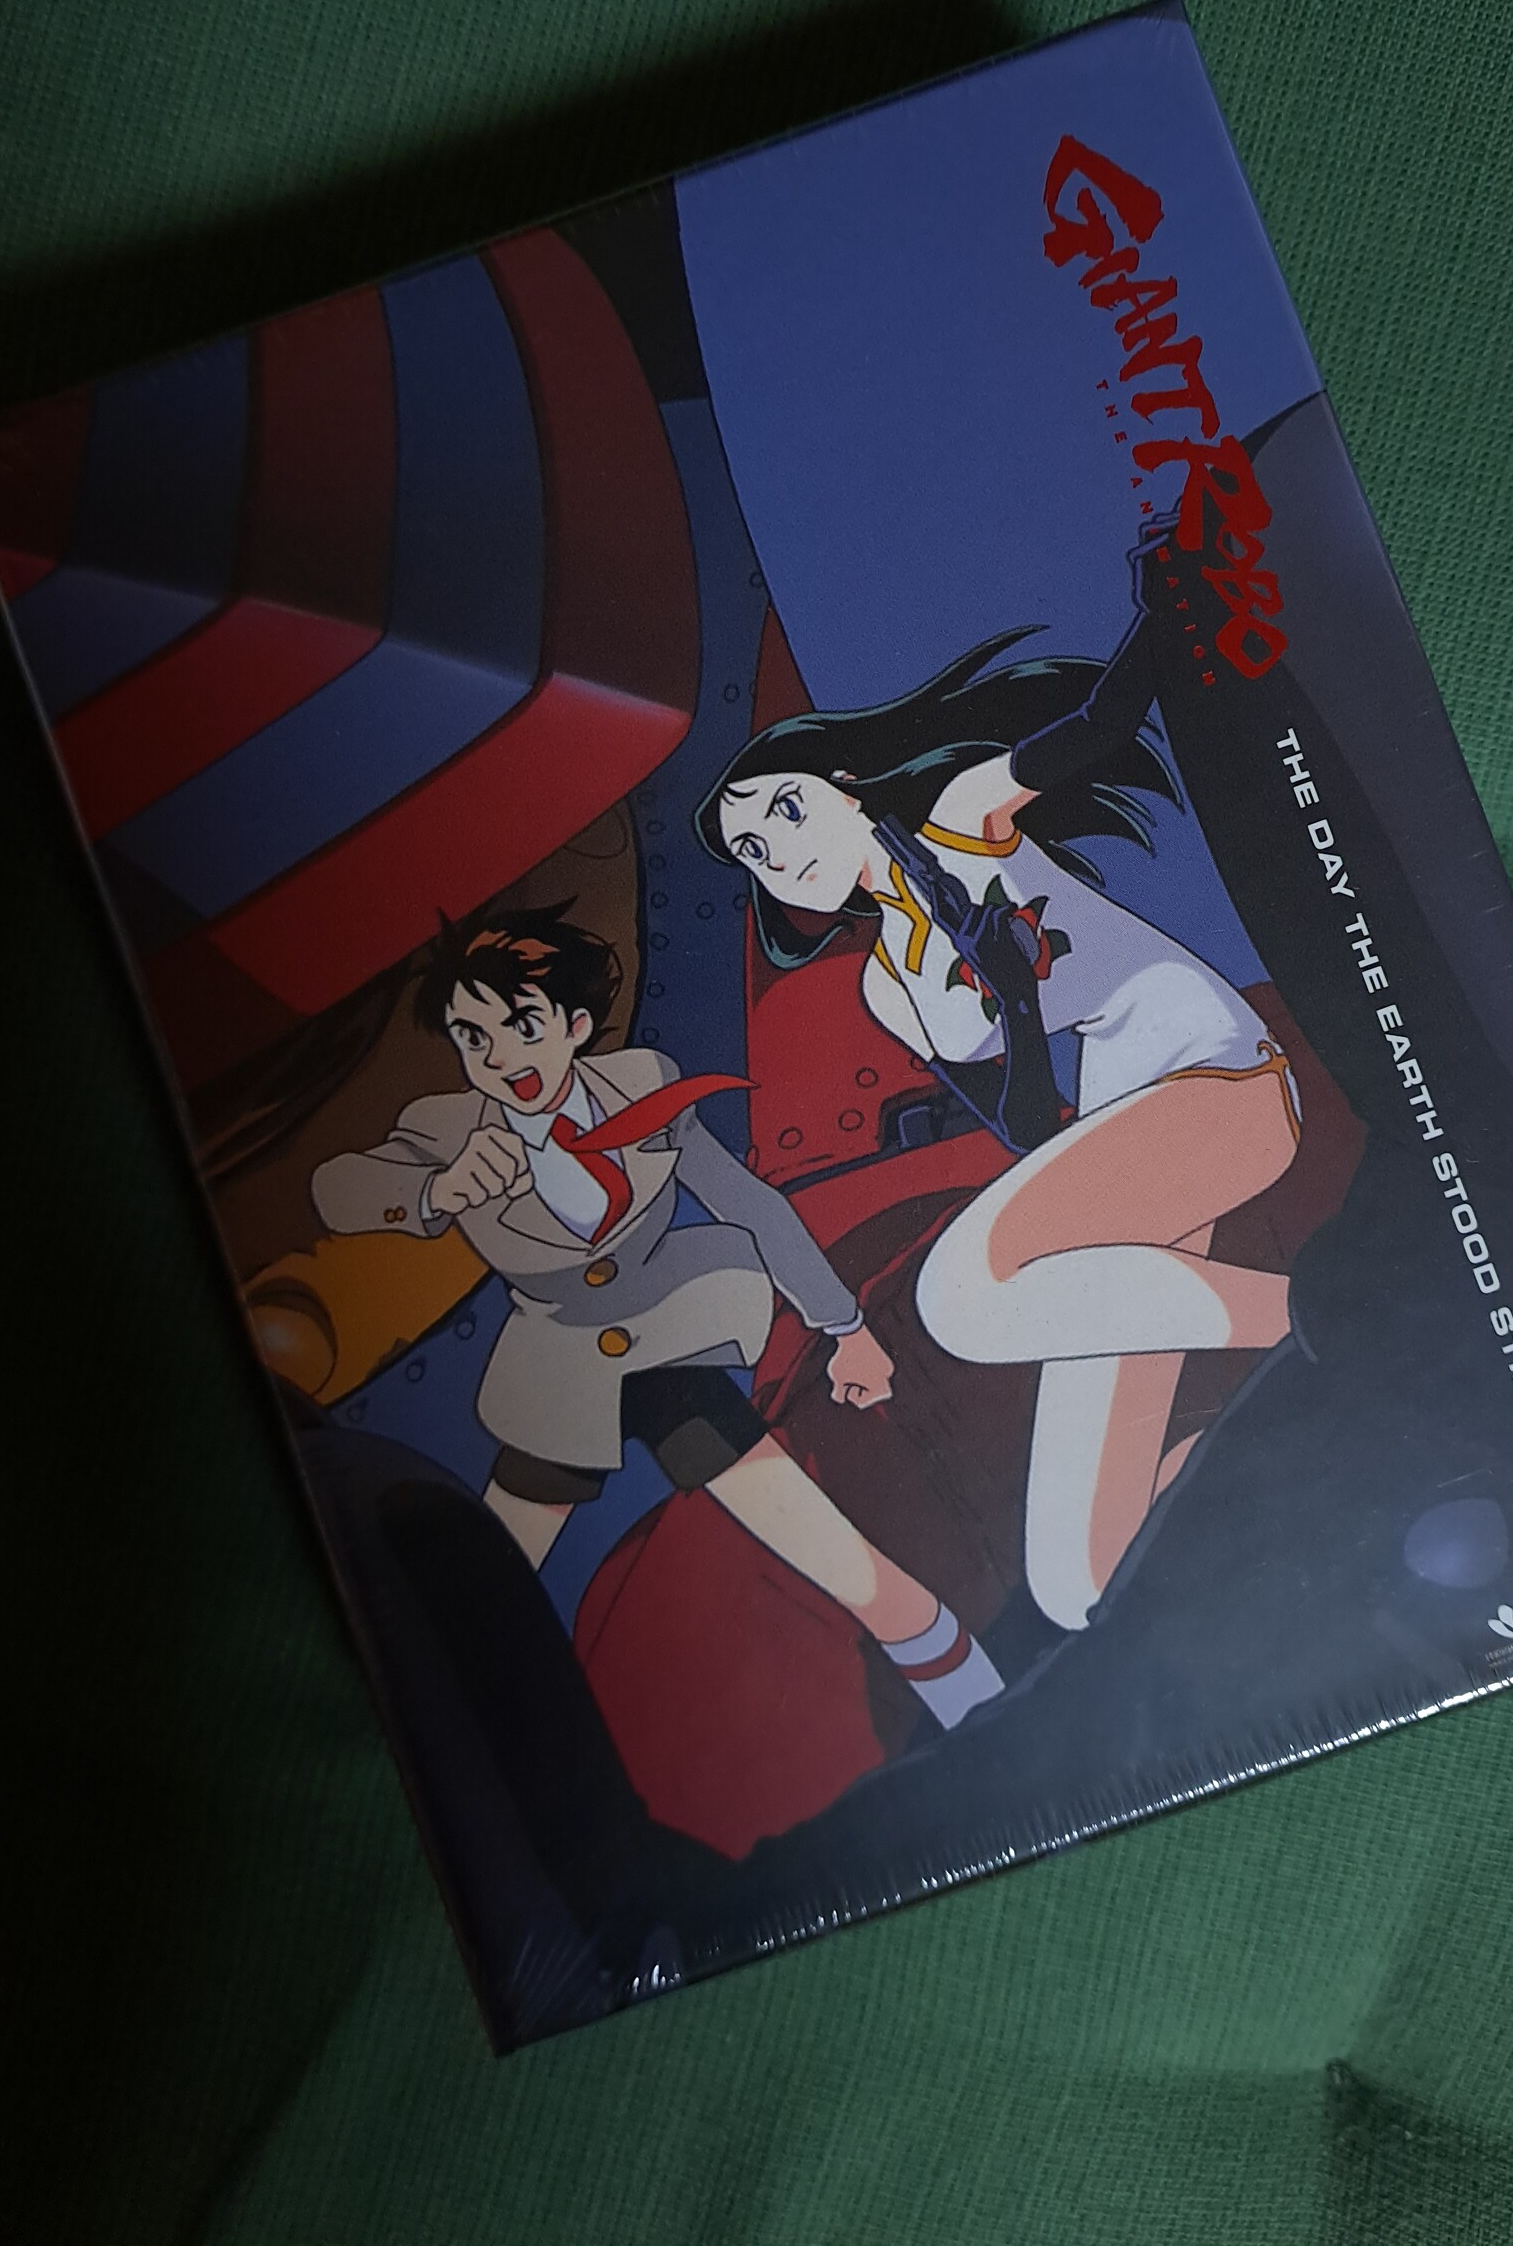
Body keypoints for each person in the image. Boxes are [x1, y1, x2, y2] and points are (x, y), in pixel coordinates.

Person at [696, 622, 1300, 1632]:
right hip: (1131, 1148)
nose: (779, 855)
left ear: (848, 785)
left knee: (962, 1294)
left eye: (786, 810)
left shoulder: (959, 825)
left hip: (1215, 1078)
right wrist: (1015, 999)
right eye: (753, 852)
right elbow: (1025, 1125)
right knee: (1079, 1578)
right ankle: (1309, 1445)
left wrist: (1166, 602)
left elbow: (1100, 723)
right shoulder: (889, 987)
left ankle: (1313, 1315)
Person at [312, 906, 1002, 1728]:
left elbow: (749, 1205)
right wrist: (435, 1189)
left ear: (574, 1026)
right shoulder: (448, 1130)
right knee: (483, 1587)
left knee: (823, 1541)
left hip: (676, 1340)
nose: (496, 1057)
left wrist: (845, 1328)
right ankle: (442, 1724)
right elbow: (337, 1191)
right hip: (559, 1375)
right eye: (471, 1037)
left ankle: (952, 1667)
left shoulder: (642, 1085)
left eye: (520, 1025)